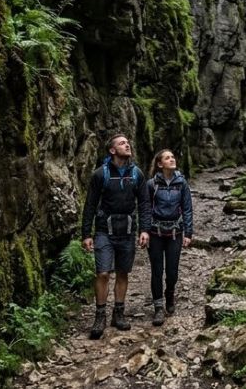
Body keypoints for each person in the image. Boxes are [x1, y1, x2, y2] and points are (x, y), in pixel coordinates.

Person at [81, 134, 150, 340]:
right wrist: (86, 233)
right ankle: (100, 315)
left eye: (128, 142)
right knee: (103, 273)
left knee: (122, 273)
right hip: (104, 230)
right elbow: (90, 205)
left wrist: (144, 230)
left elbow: (144, 203)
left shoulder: (136, 174)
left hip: (127, 230)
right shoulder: (100, 175)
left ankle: (118, 313)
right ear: (112, 150)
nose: (127, 144)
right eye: (122, 143)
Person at [140, 149, 194, 326]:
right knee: (157, 270)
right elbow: (145, 209)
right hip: (155, 233)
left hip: (174, 233)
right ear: (159, 164)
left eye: (173, 156)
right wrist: (144, 231)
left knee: (172, 271)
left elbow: (187, 208)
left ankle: (169, 292)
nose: (172, 159)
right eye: (167, 158)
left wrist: (188, 233)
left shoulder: (182, 183)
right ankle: (158, 308)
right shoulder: (151, 184)